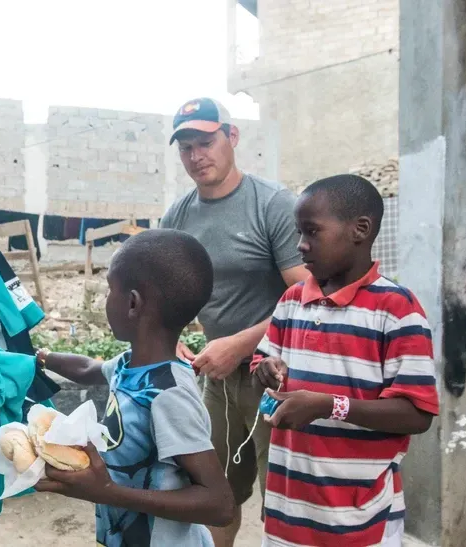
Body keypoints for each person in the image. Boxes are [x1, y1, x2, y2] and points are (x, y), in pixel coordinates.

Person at [252, 175, 439, 546]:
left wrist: (329, 406)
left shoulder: (397, 310)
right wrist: (266, 370)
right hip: (289, 512)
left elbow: (417, 414)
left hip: (361, 518)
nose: (300, 245)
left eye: (312, 232)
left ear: (361, 230)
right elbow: (262, 358)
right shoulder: (291, 300)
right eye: (298, 232)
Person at [160, 97, 309, 546]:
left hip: (276, 378)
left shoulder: (274, 205)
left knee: (283, 502)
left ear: (232, 137)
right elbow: (167, 293)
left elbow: (306, 298)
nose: (196, 156)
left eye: (205, 142)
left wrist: (240, 345)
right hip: (216, 380)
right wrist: (169, 338)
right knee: (216, 496)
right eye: (185, 147)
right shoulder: (179, 216)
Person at [34, 229, 235, 546]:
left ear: (132, 303)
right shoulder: (131, 364)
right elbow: (88, 369)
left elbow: (220, 504)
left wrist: (108, 493)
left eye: (108, 290)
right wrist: (39, 358)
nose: (104, 300)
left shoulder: (168, 393)